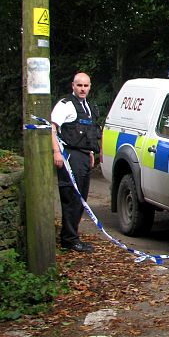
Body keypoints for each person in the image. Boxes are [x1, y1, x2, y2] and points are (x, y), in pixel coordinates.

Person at [51, 72, 101, 252]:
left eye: (86, 86)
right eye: (79, 85)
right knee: (72, 197)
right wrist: (56, 152)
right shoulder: (66, 105)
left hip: (83, 155)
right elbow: (53, 127)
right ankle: (69, 240)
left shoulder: (88, 106)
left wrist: (89, 153)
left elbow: (87, 132)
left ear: (89, 87)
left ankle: (71, 236)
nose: (83, 89)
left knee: (81, 197)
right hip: (69, 156)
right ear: (73, 85)